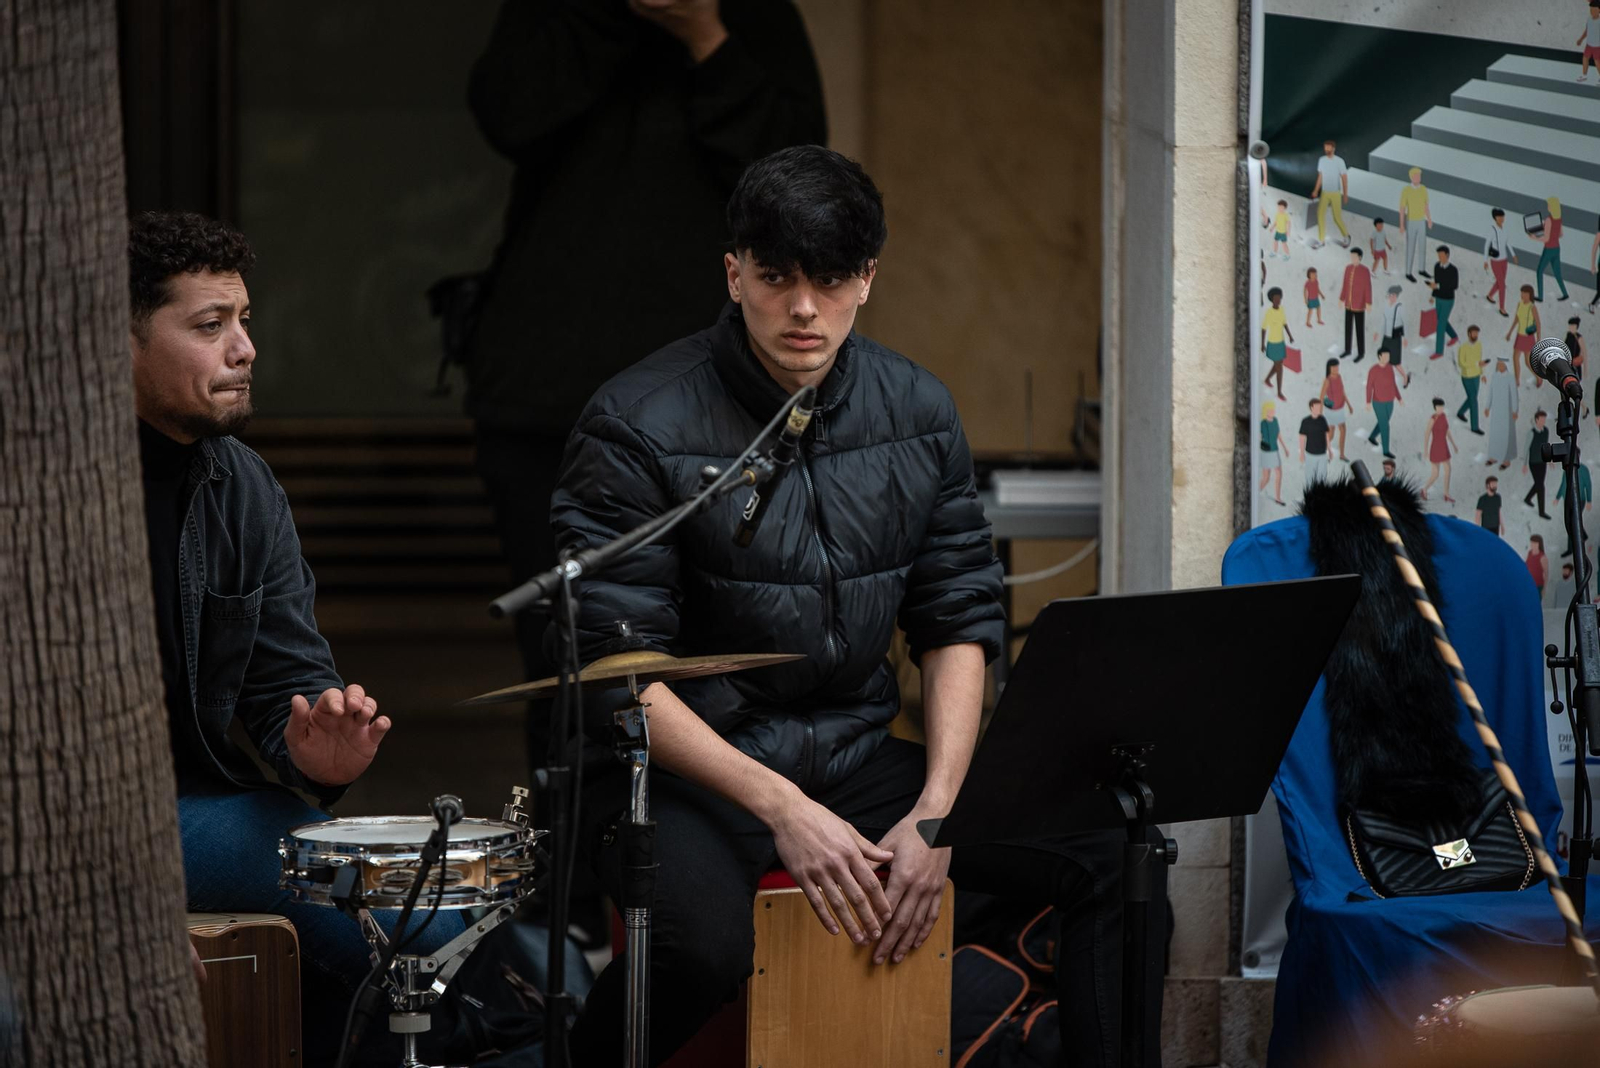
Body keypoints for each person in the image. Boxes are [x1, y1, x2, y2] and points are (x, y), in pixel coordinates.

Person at [551, 146, 1165, 1066]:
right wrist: (783, 807)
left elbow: (957, 618)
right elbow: (616, 670)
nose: (804, 308)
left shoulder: (916, 409)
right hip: (683, 775)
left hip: (848, 752)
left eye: (832, 280)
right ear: (734, 275)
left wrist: (939, 811)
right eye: (777, 279)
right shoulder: (635, 422)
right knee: (702, 946)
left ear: (868, 279)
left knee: (1112, 850)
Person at [127, 212, 467, 1062]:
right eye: (211, 325)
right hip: (81, 820)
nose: (245, 349)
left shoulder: (243, 485)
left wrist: (322, 755)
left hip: (200, 804)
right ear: (118, 339)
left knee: (429, 921)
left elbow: (289, 683)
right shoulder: (46, 479)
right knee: (398, 931)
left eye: (245, 320)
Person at [463, 0, 828, 731]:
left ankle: (715, 806)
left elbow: (796, 184)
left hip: (714, 402)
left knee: (716, 657)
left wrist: (704, 34)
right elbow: (506, 114)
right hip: (546, 396)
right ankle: (576, 810)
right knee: (565, 664)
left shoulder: (748, 11)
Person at [1310, 139, 1351, 249]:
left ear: (1333, 148)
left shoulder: (1339, 161)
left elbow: (1344, 178)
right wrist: (1316, 190)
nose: (1327, 149)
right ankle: (1321, 240)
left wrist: (1345, 194)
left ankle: (1346, 236)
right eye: (1325, 147)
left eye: (1329, 147)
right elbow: (1320, 177)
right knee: (1320, 214)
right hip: (1325, 193)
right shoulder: (1322, 160)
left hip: (1335, 193)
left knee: (1336, 217)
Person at [1485, 353, 1520, 470]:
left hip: (1507, 411)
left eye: (1501, 364)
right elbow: (1491, 392)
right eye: (1498, 364)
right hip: (1496, 410)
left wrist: (1515, 410)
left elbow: (1514, 395)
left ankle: (1506, 459)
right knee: (1495, 433)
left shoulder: (1510, 378)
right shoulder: (1495, 376)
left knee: (1506, 434)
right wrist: (1487, 407)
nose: (1499, 366)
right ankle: (1494, 456)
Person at [1366, 347, 1403, 458]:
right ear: (1379, 356)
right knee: (1385, 426)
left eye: (1388, 356)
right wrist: (1368, 402)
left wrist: (1399, 398)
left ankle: (1372, 436)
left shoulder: (1390, 368)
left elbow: (1393, 384)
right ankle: (1386, 451)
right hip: (1378, 402)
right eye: (1385, 355)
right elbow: (1369, 386)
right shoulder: (1373, 370)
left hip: (1390, 401)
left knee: (1383, 422)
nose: (1387, 358)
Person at [1425, 245, 1460, 358]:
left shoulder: (1453, 270)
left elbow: (1454, 286)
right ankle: (1454, 336)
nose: (1439, 257)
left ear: (1447, 255)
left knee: (1440, 325)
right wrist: (1433, 295)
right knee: (1441, 320)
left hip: (1448, 300)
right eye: (1438, 255)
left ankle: (1439, 351)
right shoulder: (1437, 266)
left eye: (1441, 255)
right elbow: (1436, 282)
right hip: (1439, 298)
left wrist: (1439, 286)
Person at [1534, 196, 1570, 304]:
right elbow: (1561, 234)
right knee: (1557, 273)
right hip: (1557, 248)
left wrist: (1534, 237)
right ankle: (1565, 293)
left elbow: (1546, 238)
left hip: (1548, 249)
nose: (1548, 206)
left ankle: (1540, 296)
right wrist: (1551, 231)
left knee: (1539, 271)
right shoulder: (1559, 219)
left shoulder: (1549, 220)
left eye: (1549, 205)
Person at [1398, 167, 1432, 282]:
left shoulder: (1423, 189)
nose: (1418, 178)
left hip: (1421, 221)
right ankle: (1408, 272)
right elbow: (1402, 208)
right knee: (1410, 246)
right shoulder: (1406, 190)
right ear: (1411, 177)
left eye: (1419, 175)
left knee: (1422, 245)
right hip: (1411, 221)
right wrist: (1402, 224)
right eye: (1416, 176)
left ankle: (1421, 269)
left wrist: (1429, 219)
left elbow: (1426, 206)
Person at [1422, 397, 1457, 503]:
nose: (1441, 409)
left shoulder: (1444, 416)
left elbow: (1447, 431)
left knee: (1448, 469)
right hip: (1436, 446)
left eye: (1442, 407)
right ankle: (1424, 489)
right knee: (1435, 473)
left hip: (1444, 445)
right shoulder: (1433, 419)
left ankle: (1446, 493)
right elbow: (1427, 434)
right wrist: (1425, 450)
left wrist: (1453, 444)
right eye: (1439, 407)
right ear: (1435, 407)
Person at [1340, 247, 1373, 361]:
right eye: (1351, 256)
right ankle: (1347, 349)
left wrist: (1368, 302)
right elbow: (1345, 284)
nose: (1352, 259)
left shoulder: (1364, 271)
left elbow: (1368, 287)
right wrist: (1341, 299)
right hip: (1348, 304)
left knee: (1359, 329)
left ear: (1359, 257)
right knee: (1348, 328)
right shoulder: (1348, 268)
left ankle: (1361, 352)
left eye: (1354, 257)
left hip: (1359, 304)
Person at [1483, 207, 1516, 317]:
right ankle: (1502, 308)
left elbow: (1508, 243)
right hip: (1496, 261)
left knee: (1500, 282)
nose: (1501, 218)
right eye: (1499, 216)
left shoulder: (1505, 230)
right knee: (1502, 285)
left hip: (1504, 260)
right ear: (1495, 218)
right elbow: (1487, 245)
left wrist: (1513, 254)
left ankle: (1490, 295)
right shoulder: (1492, 230)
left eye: (1502, 216)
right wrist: (1485, 260)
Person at [1507, 284, 1541, 388]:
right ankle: (1517, 380)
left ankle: (1538, 377)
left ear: (1529, 294)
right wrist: (1510, 332)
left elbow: (1538, 324)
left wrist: (1538, 339)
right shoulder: (1520, 304)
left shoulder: (1532, 307)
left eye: (1524, 293)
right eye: (1521, 293)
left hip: (1527, 337)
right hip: (1520, 335)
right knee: (1515, 357)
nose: (1522, 295)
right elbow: (1516, 319)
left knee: (1527, 362)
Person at [1557, 462, 1594, 559]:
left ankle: (1574, 545)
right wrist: (1558, 497)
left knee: (1573, 522)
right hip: (1568, 500)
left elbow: (1588, 484)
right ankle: (1580, 538)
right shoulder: (1567, 469)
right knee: (1570, 522)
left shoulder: (1583, 469)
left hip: (1579, 499)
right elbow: (1563, 483)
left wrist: (1589, 500)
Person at [1320, 358, 1354, 460]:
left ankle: (1342, 454)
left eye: (1337, 366)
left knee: (1343, 430)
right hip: (1331, 410)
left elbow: (1342, 391)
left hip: (1340, 408)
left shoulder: (1339, 377)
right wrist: (1320, 413)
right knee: (1331, 433)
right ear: (1329, 368)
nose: (1336, 368)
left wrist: (1348, 404)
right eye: (1334, 367)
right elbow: (1321, 397)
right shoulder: (1327, 380)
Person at [1456, 324, 1487, 435]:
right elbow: (1461, 363)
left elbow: (1479, 360)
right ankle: (1475, 427)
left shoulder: (1478, 345)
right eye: (1474, 333)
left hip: (1476, 376)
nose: (1475, 335)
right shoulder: (1463, 347)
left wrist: (1482, 373)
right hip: (1467, 377)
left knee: (1472, 398)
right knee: (1473, 400)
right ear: (1469, 334)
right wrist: (1475, 364)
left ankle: (1460, 412)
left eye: (1477, 333)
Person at [1263, 285, 1292, 400]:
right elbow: (1264, 328)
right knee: (1279, 367)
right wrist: (1262, 344)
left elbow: (1284, 323)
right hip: (1273, 343)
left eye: (1279, 298)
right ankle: (1279, 391)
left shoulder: (1281, 310)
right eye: (1275, 298)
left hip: (1280, 342)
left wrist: (1290, 336)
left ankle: (1267, 379)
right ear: (1272, 299)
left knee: (1278, 365)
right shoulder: (1269, 312)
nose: (1278, 300)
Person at [1260, 400, 1289, 505]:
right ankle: (1255, 491)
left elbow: (1278, 435)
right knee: (1266, 477)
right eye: (1270, 410)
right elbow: (1260, 436)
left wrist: (1285, 448)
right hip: (1266, 452)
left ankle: (1278, 498)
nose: (1272, 411)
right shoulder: (1263, 423)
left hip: (1275, 450)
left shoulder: (1275, 420)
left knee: (1278, 473)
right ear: (1266, 411)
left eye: (1273, 409)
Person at [1374, 283, 1405, 379]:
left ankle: (1405, 377)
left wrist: (1405, 337)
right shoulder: (1386, 307)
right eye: (1390, 295)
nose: (1392, 297)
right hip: (1386, 337)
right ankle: (1387, 376)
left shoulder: (1399, 307)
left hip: (1395, 337)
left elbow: (1404, 322)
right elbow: (1383, 321)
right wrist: (1378, 333)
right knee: (1384, 359)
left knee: (1395, 362)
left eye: (1394, 295)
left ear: (1396, 296)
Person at [1526, 408, 1553, 519]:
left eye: (1544, 419)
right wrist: (1524, 464)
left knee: (1539, 484)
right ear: (1536, 420)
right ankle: (1541, 512)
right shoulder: (1531, 433)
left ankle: (1528, 498)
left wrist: (1549, 459)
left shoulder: (1546, 431)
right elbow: (1526, 448)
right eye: (1541, 419)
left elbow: (1545, 445)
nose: (1543, 421)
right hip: (1533, 462)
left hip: (1542, 462)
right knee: (1540, 486)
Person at [1300, 397, 1332, 486]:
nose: (1319, 409)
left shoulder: (1322, 420)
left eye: (1319, 407)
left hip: (1322, 454)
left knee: (1322, 476)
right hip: (1310, 454)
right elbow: (1302, 437)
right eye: (1317, 407)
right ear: (1311, 408)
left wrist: (1329, 450)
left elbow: (1326, 435)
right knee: (1309, 476)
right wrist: (1302, 453)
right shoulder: (1305, 421)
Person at [1579, 2, 1600, 82]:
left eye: (1594, 10)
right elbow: (1587, 31)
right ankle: (1584, 75)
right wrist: (1581, 39)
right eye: (1591, 10)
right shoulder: (1589, 19)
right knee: (1585, 58)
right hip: (1589, 45)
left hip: (1597, 46)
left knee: (1597, 61)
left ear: (1599, 10)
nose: (1592, 11)